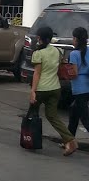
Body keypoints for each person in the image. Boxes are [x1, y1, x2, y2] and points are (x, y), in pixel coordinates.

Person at [30, 25, 77, 155]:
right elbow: (58, 69)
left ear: (39, 38)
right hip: (55, 88)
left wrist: (33, 91)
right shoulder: (58, 51)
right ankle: (70, 140)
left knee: (32, 114)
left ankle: (31, 139)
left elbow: (37, 74)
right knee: (52, 116)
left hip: (41, 89)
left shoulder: (38, 53)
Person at [68, 25, 89, 140]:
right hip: (87, 86)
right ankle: (69, 139)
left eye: (73, 38)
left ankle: (69, 140)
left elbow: (74, 73)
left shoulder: (74, 54)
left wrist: (64, 75)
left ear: (76, 39)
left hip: (79, 89)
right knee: (74, 112)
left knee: (85, 118)